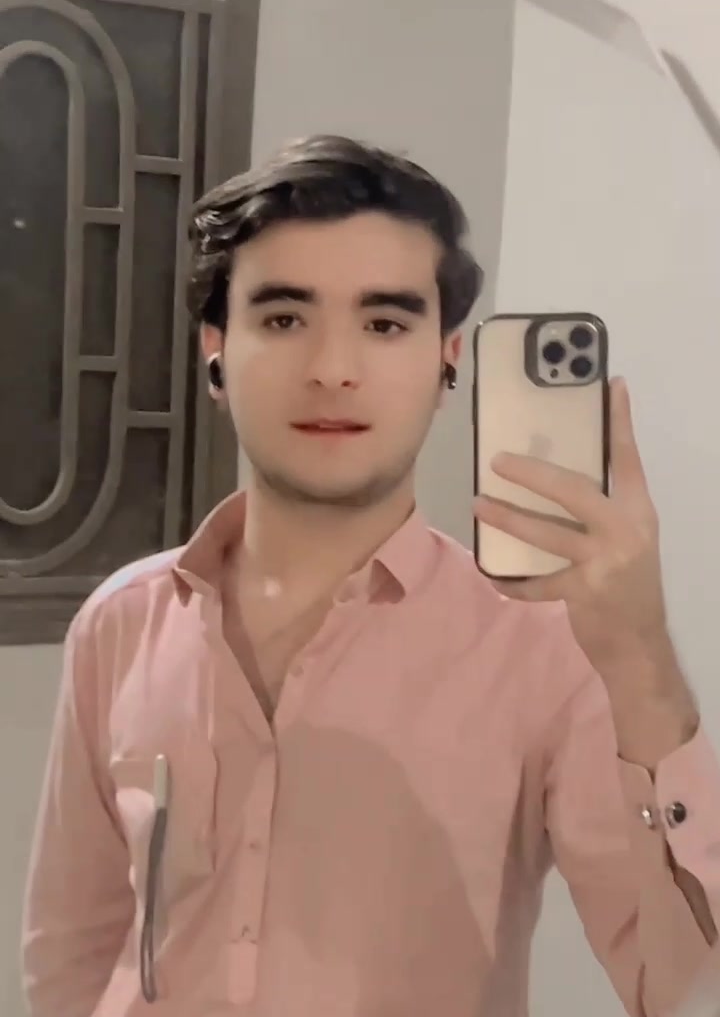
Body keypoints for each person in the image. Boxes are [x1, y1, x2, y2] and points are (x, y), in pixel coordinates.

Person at [22, 134, 720, 1017]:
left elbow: (687, 993)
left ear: (448, 360)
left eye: (384, 324)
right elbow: (71, 952)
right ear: (216, 352)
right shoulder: (122, 622)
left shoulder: (545, 647)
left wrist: (642, 663)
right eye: (284, 319)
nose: (332, 369)